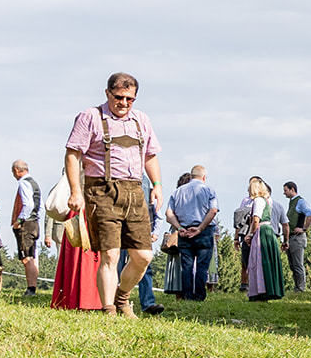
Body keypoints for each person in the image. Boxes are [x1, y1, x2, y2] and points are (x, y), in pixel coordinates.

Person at [63, 72, 164, 317]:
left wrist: (157, 184)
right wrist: (76, 191)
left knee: (143, 255)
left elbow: (150, 155)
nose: (124, 103)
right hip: (101, 190)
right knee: (110, 253)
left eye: (130, 99)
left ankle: (122, 297)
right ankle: (108, 309)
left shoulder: (141, 120)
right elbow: (73, 154)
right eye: (119, 97)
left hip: (135, 191)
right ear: (107, 93)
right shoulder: (90, 116)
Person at [167, 165, 219, 301]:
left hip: (184, 231)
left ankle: (187, 296)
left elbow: (169, 214)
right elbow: (213, 211)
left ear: (191, 176)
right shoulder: (209, 190)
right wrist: (200, 228)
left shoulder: (177, 192)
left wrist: (179, 227)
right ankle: (199, 296)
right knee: (202, 266)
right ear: (204, 177)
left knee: (186, 266)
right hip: (204, 231)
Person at [116, 174, 163, 315]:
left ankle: (148, 303)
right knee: (116, 264)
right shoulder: (118, 175)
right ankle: (114, 301)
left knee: (144, 265)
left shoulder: (145, 180)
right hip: (119, 227)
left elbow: (156, 212)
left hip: (140, 228)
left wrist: (155, 232)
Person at [244, 177, 286, 301]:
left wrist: (250, 234)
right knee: (266, 262)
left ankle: (260, 292)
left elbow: (256, 220)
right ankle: (267, 290)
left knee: (258, 261)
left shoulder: (258, 201)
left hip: (261, 232)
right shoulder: (266, 201)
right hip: (268, 231)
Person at [10, 159, 43, 295]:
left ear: (16, 170)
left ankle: (31, 288)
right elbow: (38, 205)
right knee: (32, 256)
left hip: (27, 223)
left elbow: (28, 204)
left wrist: (19, 220)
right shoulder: (34, 183)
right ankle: (32, 287)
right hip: (35, 222)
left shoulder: (23, 183)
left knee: (26, 257)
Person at [282, 182, 311, 292]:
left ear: (292, 189)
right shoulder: (292, 202)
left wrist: (304, 228)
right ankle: (297, 287)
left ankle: (301, 288)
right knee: (292, 265)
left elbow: (310, 213)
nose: (284, 193)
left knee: (297, 264)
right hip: (291, 238)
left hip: (297, 238)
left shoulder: (300, 201)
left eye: (286, 190)